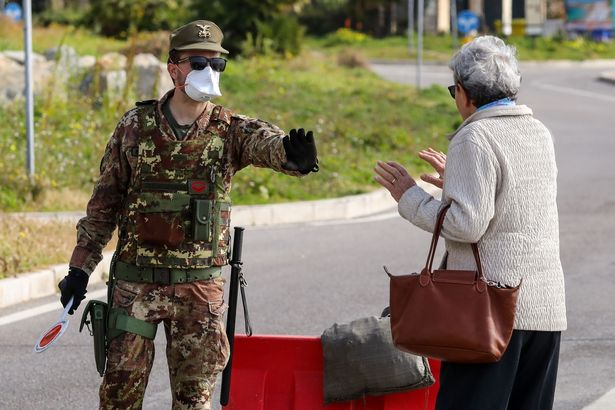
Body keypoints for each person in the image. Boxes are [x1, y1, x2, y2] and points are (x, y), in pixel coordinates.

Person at [58, 20, 318, 409]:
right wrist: (80, 269)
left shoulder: (229, 129)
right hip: (135, 287)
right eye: (198, 62)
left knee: (194, 401)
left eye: (217, 65)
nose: (208, 72)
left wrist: (292, 156)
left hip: (199, 291)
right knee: (119, 397)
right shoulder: (135, 127)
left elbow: (269, 145)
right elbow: (103, 205)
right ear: (174, 68)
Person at [374, 35, 566, 409]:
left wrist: (409, 197)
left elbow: (467, 224)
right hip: (544, 308)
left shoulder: (474, 136)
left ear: (464, 92)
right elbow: (517, 199)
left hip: (489, 312)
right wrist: (458, 181)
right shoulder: (538, 132)